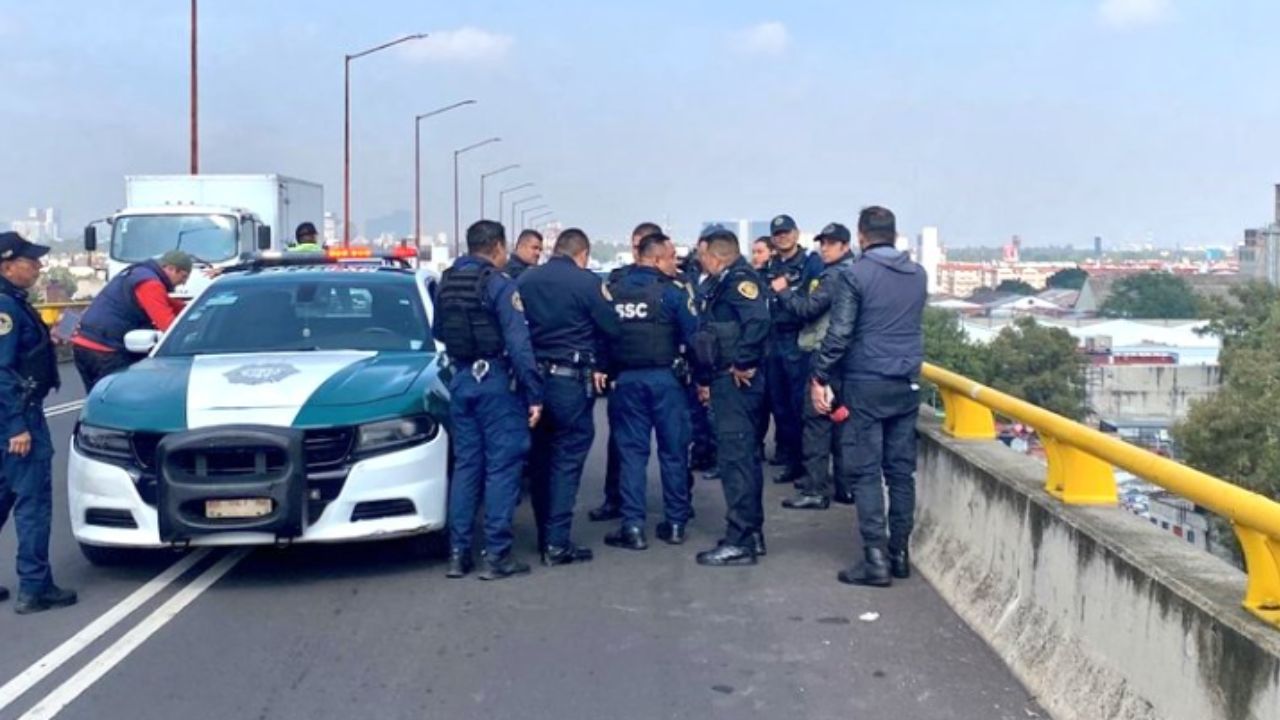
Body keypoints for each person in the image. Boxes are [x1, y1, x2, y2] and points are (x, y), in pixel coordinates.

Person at [810, 206, 927, 587]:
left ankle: (874, 558)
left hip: (866, 382)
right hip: (906, 382)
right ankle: (900, 555)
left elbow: (840, 332)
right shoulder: (918, 274)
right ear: (893, 234)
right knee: (900, 473)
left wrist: (820, 374)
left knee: (865, 473)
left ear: (861, 236)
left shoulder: (855, 274)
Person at [433, 220, 544, 581]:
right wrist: (534, 394)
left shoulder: (447, 282)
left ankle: (457, 553)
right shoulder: (499, 284)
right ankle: (496, 554)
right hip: (496, 381)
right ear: (498, 247)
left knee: (467, 467)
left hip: (462, 379)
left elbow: (438, 331)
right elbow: (519, 343)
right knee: (501, 467)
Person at [517, 228, 622, 565]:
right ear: (583, 254)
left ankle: (544, 535)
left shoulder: (526, 281)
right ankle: (557, 543)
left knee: (539, 460)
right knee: (566, 460)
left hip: (532, 381)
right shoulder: (586, 283)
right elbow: (612, 327)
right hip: (569, 382)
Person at [602, 232, 699, 550]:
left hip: (626, 381)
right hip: (666, 381)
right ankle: (675, 523)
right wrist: (705, 379)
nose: (676, 263)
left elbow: (601, 334)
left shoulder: (613, 291)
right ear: (656, 259)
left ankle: (632, 527)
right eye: (672, 257)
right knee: (673, 452)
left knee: (631, 455)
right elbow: (695, 336)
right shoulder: (673, 293)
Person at [0, 231, 77, 614]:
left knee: (2, 496)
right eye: (31, 262)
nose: (38, 267)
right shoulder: (6, 308)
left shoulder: (12, 303)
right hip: (16, 415)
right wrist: (17, 426)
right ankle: (35, 586)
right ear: (6, 265)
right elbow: (1, 370)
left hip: (11, 412)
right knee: (33, 503)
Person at [690, 227, 770, 566]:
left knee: (736, 460)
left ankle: (740, 541)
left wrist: (743, 361)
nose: (698, 259)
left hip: (736, 383)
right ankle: (750, 532)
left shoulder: (739, 282)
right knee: (743, 459)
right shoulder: (723, 282)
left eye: (701, 254)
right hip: (728, 380)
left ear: (714, 253)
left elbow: (758, 321)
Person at [769, 223, 856, 510]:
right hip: (846, 358)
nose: (824, 248)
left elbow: (808, 309)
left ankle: (815, 489)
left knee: (816, 420)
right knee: (840, 420)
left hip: (823, 354)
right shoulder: (855, 271)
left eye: (831, 244)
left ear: (845, 246)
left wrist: (783, 292)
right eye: (822, 243)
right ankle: (845, 487)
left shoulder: (834, 276)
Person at [589, 221, 662, 523]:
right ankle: (615, 499)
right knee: (622, 443)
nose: (636, 251)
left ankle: (678, 507)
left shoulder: (674, 280)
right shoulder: (617, 280)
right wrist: (601, 365)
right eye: (634, 245)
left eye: (642, 245)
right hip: (623, 373)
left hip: (664, 371)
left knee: (674, 444)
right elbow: (603, 327)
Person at [70, 250, 193, 393]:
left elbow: (168, 303)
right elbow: (168, 327)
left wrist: (197, 309)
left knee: (97, 402)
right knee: (117, 401)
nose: (183, 283)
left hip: (83, 343)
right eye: (183, 276)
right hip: (105, 350)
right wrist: (191, 342)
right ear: (170, 269)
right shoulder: (150, 284)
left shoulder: (137, 273)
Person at [763, 214, 824, 486]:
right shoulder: (771, 265)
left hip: (797, 339)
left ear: (797, 234)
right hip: (773, 339)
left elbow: (812, 303)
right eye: (777, 234)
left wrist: (786, 291)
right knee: (780, 405)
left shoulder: (811, 264)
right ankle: (789, 459)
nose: (782, 237)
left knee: (799, 405)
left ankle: (802, 464)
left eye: (786, 232)